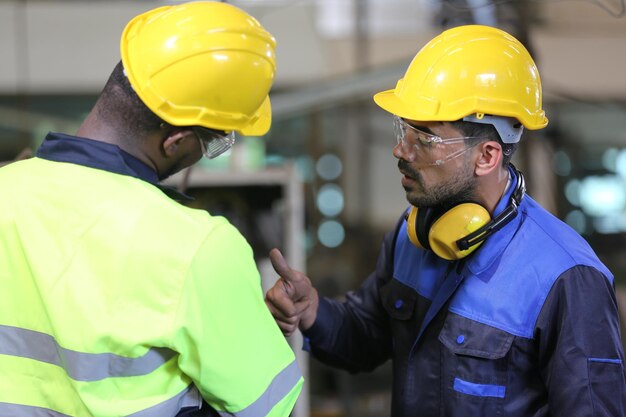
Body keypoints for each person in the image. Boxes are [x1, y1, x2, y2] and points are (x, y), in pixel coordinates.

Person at [265, 24, 626, 416]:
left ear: (486, 156)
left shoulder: (566, 278)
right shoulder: (411, 238)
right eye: (403, 128)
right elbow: (366, 336)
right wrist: (313, 312)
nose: (399, 150)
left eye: (424, 138)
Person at [0, 2, 302, 416]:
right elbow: (266, 405)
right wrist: (251, 329)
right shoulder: (200, 246)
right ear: (175, 140)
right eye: (213, 142)